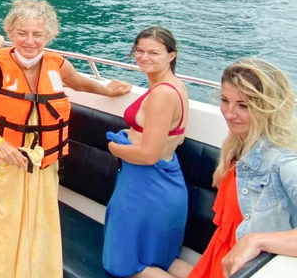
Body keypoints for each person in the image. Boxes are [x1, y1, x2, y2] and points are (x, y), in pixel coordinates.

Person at [0, 0, 132, 278]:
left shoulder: (57, 65)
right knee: (0, 232)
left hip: (41, 166)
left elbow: (78, 82)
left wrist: (107, 91)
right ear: (11, 33)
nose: (30, 41)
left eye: (37, 34)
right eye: (22, 33)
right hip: (0, 165)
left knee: (38, 229)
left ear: (49, 35)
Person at [186, 59, 297, 278]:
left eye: (243, 106)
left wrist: (256, 240)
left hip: (249, 266)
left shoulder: (284, 161)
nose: (229, 113)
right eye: (225, 101)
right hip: (222, 254)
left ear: (268, 107)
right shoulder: (239, 144)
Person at [103, 27, 191, 278]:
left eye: (154, 52)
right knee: (160, 260)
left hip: (145, 188)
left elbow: (148, 155)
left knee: (127, 266)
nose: (144, 57)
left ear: (171, 56)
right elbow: (179, 137)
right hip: (163, 182)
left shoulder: (162, 94)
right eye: (139, 51)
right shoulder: (176, 87)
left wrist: (114, 147)